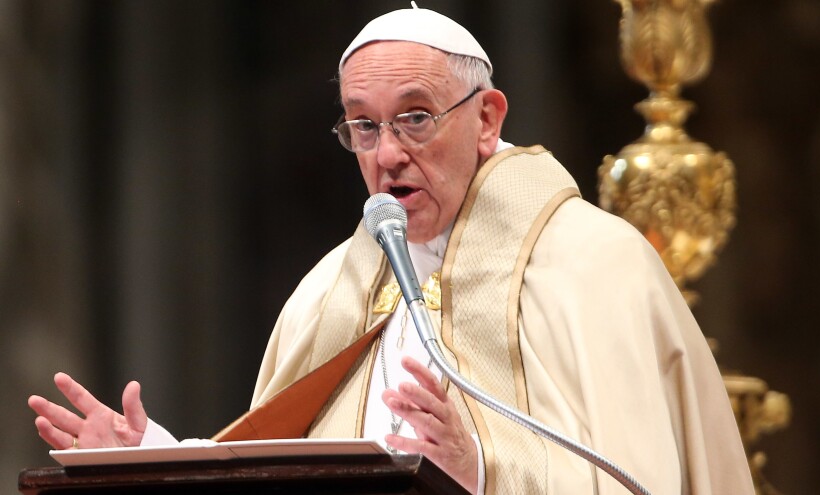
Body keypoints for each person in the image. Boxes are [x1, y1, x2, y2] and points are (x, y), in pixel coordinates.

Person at [28, 5, 754, 494]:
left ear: (486, 118)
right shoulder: (329, 290)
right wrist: (156, 458)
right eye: (363, 127)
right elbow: (295, 469)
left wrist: (481, 470)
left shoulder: (596, 264)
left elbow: (637, 475)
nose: (388, 155)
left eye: (414, 118)